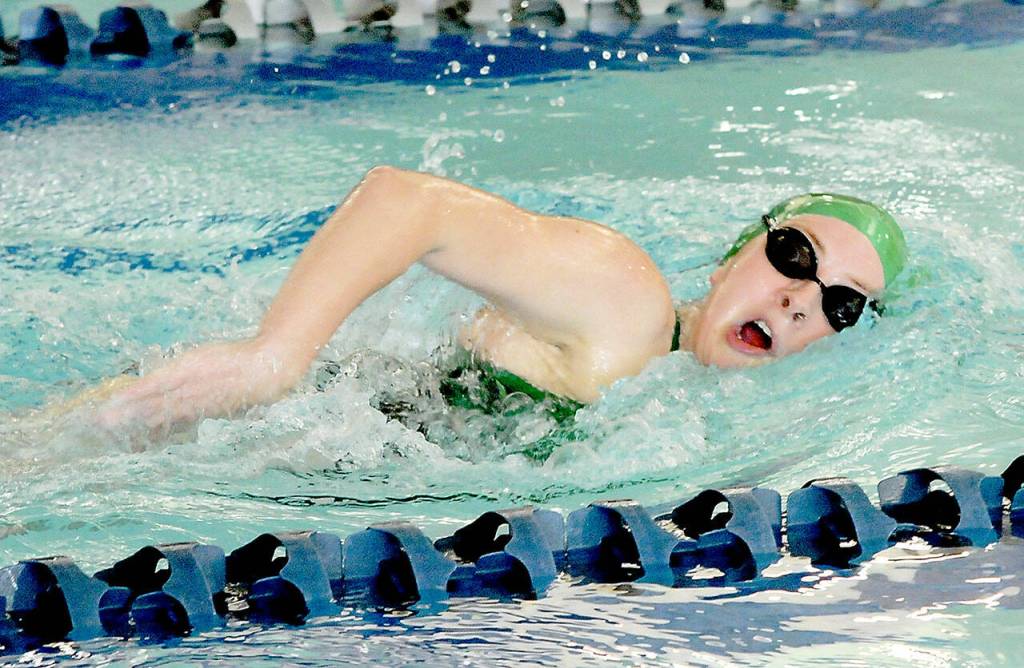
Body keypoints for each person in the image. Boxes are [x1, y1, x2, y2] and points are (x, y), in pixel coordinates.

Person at [89, 166, 907, 438]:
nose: (802, 298)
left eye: (843, 305)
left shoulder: (687, 395)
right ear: (736, 253)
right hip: (209, 418)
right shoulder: (628, 304)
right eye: (795, 255)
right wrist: (273, 356)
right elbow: (407, 200)